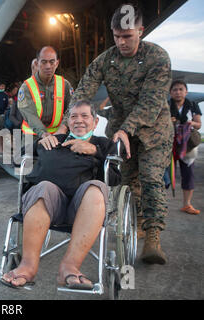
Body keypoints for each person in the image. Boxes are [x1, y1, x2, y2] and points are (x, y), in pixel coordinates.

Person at [69, 4, 174, 264]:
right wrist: (67, 123)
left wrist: (127, 128)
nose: (121, 42)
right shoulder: (106, 60)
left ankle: (152, 238)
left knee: (150, 178)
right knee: (125, 181)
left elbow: (150, 103)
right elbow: (84, 91)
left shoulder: (158, 58)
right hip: (120, 131)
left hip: (153, 131)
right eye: (116, 36)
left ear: (141, 30)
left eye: (127, 36)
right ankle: (134, 225)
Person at [0, 101, 121, 289]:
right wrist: (40, 141)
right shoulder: (56, 139)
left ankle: (69, 267)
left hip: (83, 208)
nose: (79, 121)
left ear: (95, 122)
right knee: (44, 187)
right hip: (46, 204)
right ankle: (27, 267)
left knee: (96, 188)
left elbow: (114, 178)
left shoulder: (103, 144)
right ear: (68, 122)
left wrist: (95, 152)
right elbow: (19, 158)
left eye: (84, 116)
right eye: (74, 117)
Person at [17, 46, 73, 147]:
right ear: (37, 63)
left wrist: (63, 128)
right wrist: (43, 133)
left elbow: (71, 109)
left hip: (58, 136)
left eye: (52, 62)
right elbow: (30, 115)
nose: (48, 66)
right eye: (44, 62)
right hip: (32, 137)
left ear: (57, 63)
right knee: (28, 162)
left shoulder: (65, 85)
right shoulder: (26, 87)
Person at [169, 79, 202, 215]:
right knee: (165, 175)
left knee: (188, 174)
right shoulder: (166, 106)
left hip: (187, 145)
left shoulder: (193, 105)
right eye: (175, 89)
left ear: (186, 91)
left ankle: (187, 204)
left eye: (181, 89)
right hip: (169, 144)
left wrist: (191, 123)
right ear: (170, 93)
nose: (178, 92)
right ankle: (160, 205)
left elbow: (198, 124)